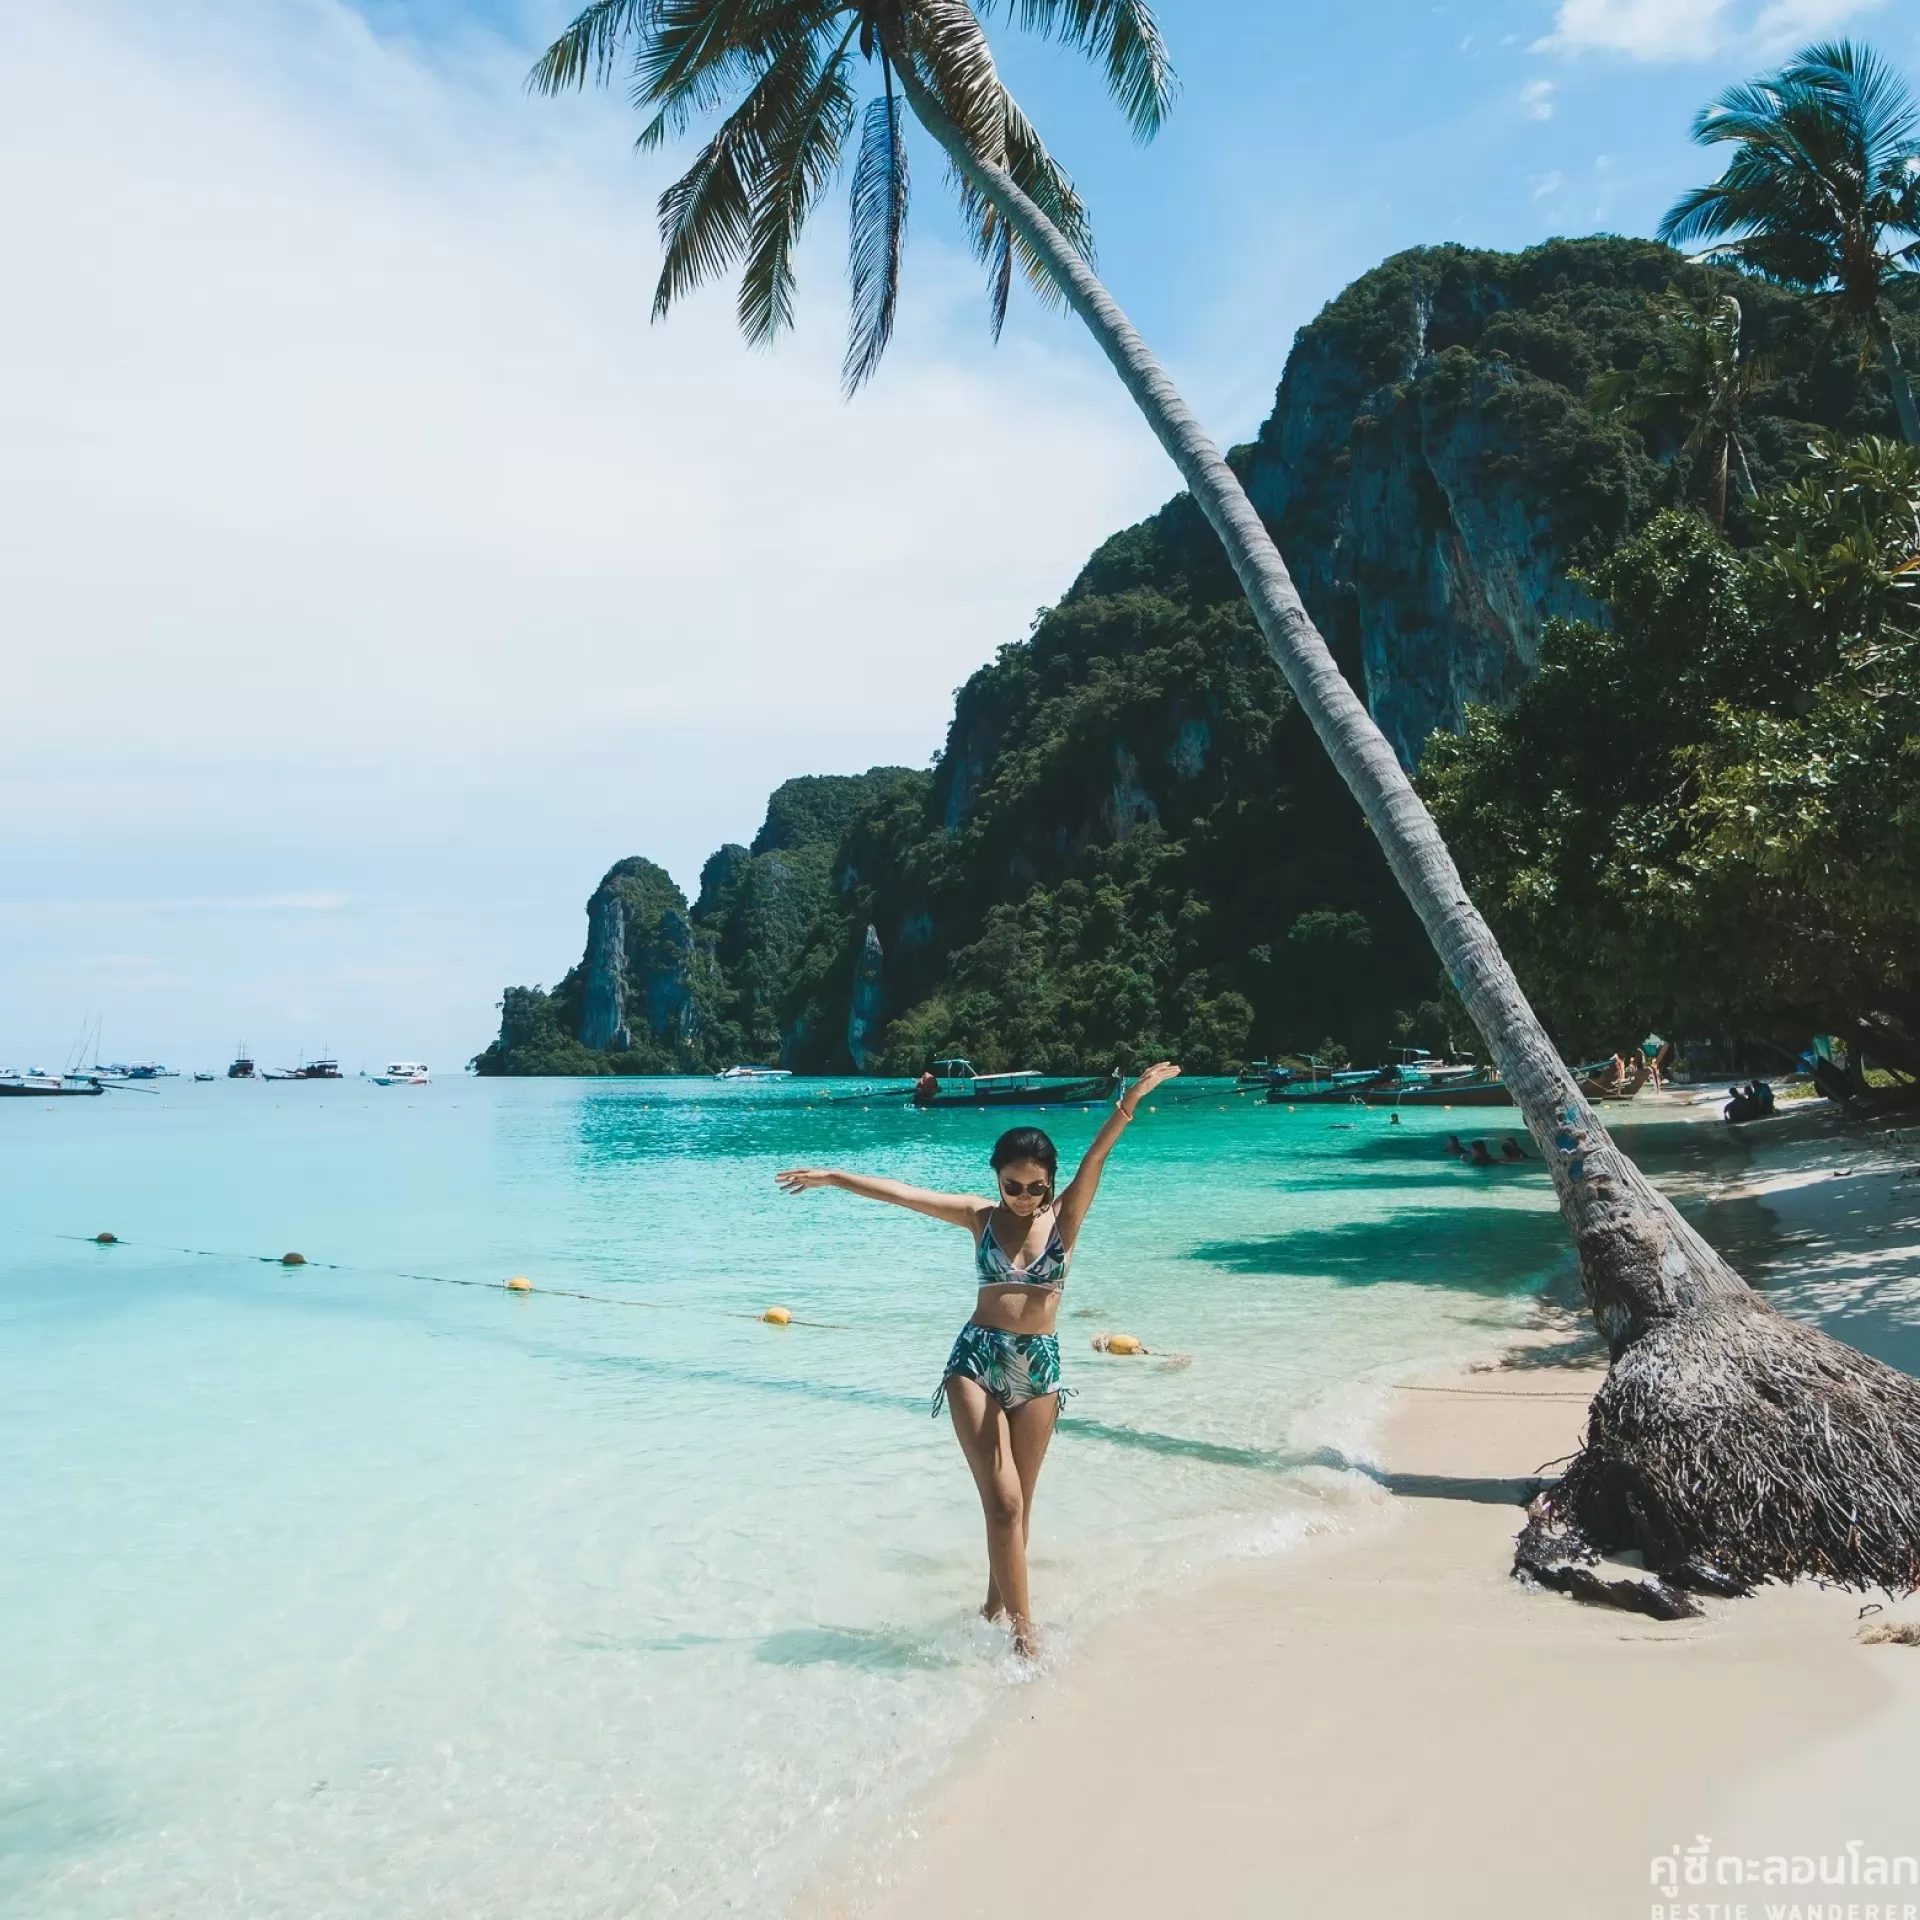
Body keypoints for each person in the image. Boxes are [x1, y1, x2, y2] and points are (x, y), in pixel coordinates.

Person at [776, 1060, 1181, 1658]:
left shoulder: (1065, 1221)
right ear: (997, 1180)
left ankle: (994, 1606)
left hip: (1039, 1368)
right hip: (977, 1362)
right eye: (1011, 1185)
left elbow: (1097, 1157)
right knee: (1005, 1503)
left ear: (1051, 1183)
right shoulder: (980, 1218)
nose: (1022, 1197)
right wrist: (835, 1176)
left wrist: (1130, 1101)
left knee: (1020, 1507)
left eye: (1035, 1187)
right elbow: (905, 1196)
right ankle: (1025, 1639)